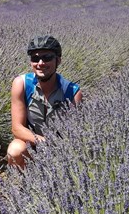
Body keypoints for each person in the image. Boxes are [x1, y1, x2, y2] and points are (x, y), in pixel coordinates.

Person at [7, 35, 83, 169]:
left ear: (58, 60)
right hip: (31, 143)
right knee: (15, 150)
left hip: (60, 147)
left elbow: (75, 134)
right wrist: (42, 141)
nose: (41, 63)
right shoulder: (22, 84)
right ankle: (21, 185)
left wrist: (56, 147)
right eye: (35, 58)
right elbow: (17, 128)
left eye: (47, 58)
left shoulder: (72, 92)